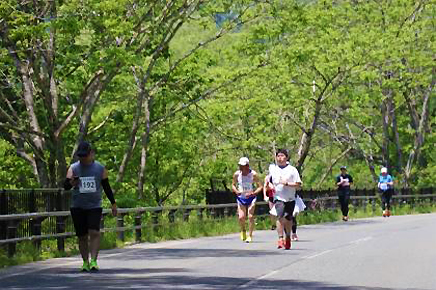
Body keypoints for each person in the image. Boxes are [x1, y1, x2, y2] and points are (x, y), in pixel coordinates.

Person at [64, 141, 117, 272]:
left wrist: (113, 203)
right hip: (77, 206)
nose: (82, 158)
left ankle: (93, 260)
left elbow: (106, 187)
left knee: (94, 231)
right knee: (82, 235)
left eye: (85, 155)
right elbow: (65, 186)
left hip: (94, 205)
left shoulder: (100, 168)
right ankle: (85, 262)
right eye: (80, 156)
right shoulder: (73, 168)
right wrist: (72, 182)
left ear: (91, 154)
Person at [268, 149, 302, 250]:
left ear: (286, 158)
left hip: (290, 198)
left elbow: (298, 185)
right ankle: (280, 238)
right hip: (278, 197)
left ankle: (288, 236)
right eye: (278, 156)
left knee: (288, 219)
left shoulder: (292, 170)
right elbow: (269, 181)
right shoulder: (273, 169)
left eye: (282, 156)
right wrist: (270, 186)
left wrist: (287, 183)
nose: (280, 158)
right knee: (280, 216)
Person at [232, 157, 262, 243]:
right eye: (240, 166)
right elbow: (233, 185)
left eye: (243, 166)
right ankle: (243, 230)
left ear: (247, 166)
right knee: (241, 217)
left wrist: (253, 193)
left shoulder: (253, 174)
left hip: (251, 197)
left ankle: (250, 235)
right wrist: (236, 191)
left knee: (250, 216)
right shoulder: (237, 174)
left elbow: (260, 186)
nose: (241, 168)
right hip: (241, 197)